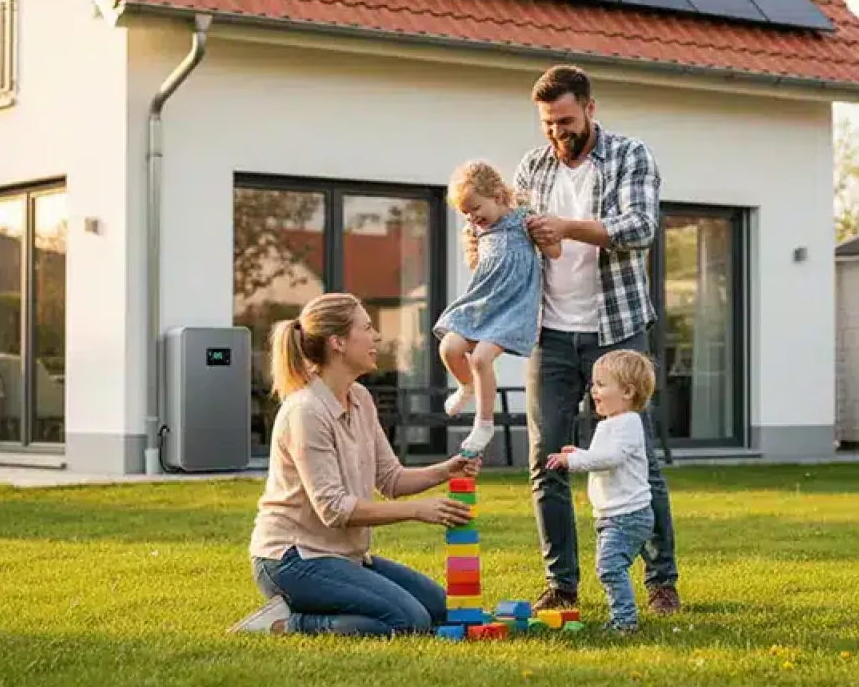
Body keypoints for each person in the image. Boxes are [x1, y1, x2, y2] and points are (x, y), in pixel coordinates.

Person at [516, 64, 681, 616]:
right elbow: (514, 236)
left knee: (640, 459)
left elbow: (640, 228)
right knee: (546, 459)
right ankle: (562, 583)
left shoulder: (631, 155)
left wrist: (564, 226)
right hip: (550, 332)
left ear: (590, 108)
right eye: (547, 124)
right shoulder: (533, 166)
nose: (557, 134)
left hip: (617, 330)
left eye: (565, 120)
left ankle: (660, 583)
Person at [231, 292, 480, 637]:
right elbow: (333, 508)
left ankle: (316, 603)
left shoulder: (360, 398)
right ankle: (287, 623)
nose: (376, 337)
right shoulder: (306, 411)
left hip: (342, 556)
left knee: (442, 610)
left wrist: (445, 470)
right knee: (409, 622)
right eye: (367, 328)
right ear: (338, 343)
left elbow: (390, 478)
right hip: (291, 560)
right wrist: (418, 510)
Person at [435, 160, 560, 457]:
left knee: (480, 358)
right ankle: (467, 388)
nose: (472, 217)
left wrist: (544, 234)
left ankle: (484, 423)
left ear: (498, 196)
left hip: (515, 305)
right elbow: (479, 263)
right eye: (465, 212)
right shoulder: (479, 230)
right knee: (449, 348)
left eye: (475, 208)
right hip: (485, 301)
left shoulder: (523, 220)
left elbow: (554, 252)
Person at [547, 348, 657, 632]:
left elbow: (611, 458)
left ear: (627, 392)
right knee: (610, 568)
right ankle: (622, 618)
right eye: (594, 384)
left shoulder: (628, 423)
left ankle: (624, 621)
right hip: (611, 516)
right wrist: (580, 453)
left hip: (629, 516)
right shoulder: (611, 424)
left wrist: (574, 460)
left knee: (609, 568)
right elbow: (601, 457)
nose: (593, 390)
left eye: (601, 384)